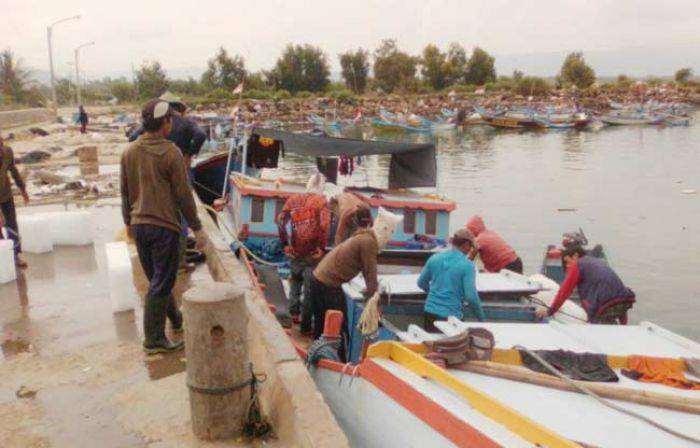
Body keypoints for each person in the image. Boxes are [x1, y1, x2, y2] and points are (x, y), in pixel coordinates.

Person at [120, 99, 206, 354]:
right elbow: (183, 196)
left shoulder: (129, 152)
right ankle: (154, 339)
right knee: (161, 282)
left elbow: (124, 192)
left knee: (158, 279)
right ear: (165, 122)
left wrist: (128, 222)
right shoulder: (171, 153)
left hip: (140, 225)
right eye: (170, 120)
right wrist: (198, 228)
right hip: (164, 227)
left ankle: (176, 320)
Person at [129, 92, 207, 271]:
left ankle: (164, 261)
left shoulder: (148, 129)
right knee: (179, 213)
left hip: (154, 175)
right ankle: (179, 261)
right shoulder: (184, 126)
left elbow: (132, 138)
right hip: (179, 169)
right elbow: (201, 135)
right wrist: (189, 153)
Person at [310, 208, 401, 359]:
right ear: (386, 230)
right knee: (340, 330)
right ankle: (338, 363)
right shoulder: (368, 242)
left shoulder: (362, 236)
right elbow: (370, 273)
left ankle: (318, 359)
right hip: (328, 284)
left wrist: (369, 290)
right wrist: (375, 305)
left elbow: (368, 274)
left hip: (319, 279)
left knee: (322, 327)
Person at [276, 173, 330, 333]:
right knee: (309, 289)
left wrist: (285, 243)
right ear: (321, 187)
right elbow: (325, 226)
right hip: (312, 253)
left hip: (296, 249)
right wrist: (322, 247)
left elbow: (280, 220)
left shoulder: (293, 200)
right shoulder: (321, 202)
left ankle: (293, 314)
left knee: (295, 281)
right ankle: (306, 326)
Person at [535, 246, 635, 323]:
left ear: (575, 256)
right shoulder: (595, 262)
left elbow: (564, 291)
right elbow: (617, 293)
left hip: (606, 304)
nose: (567, 266)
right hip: (624, 301)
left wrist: (550, 311)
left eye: (567, 262)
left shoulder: (578, 264)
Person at [418, 229, 485, 332]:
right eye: (471, 247)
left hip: (429, 313)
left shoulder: (435, 258)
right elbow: (471, 298)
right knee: (453, 347)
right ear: (467, 244)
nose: (470, 250)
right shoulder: (468, 265)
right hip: (451, 317)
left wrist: (433, 292)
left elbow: (421, 283)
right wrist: (482, 319)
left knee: (433, 345)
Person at [0, 133, 30, 268]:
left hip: (6, 194)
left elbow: (14, 171)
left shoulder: (7, 152)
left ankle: (16, 255)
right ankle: (3, 258)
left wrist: (23, 189)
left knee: (12, 224)